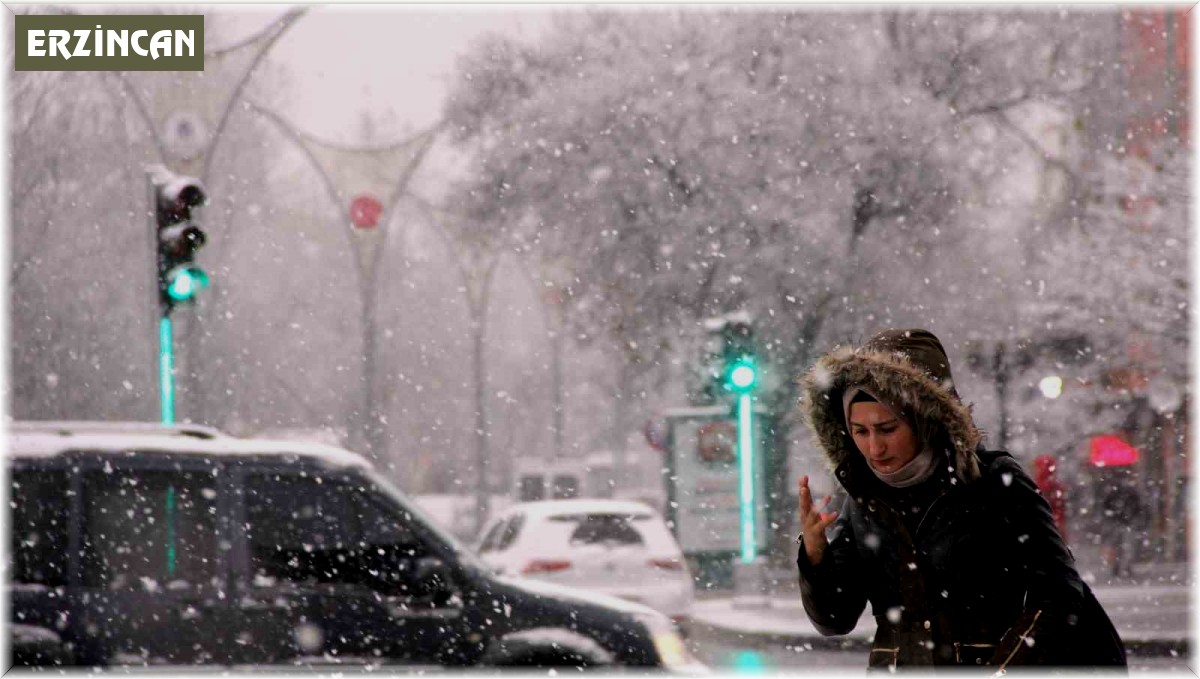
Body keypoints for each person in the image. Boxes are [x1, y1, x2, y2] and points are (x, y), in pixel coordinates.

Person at [795, 328, 1126, 672]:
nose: (874, 448)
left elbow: (1058, 595)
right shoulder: (863, 500)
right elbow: (834, 619)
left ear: (924, 419)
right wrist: (816, 556)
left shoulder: (993, 483)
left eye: (888, 429)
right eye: (860, 432)